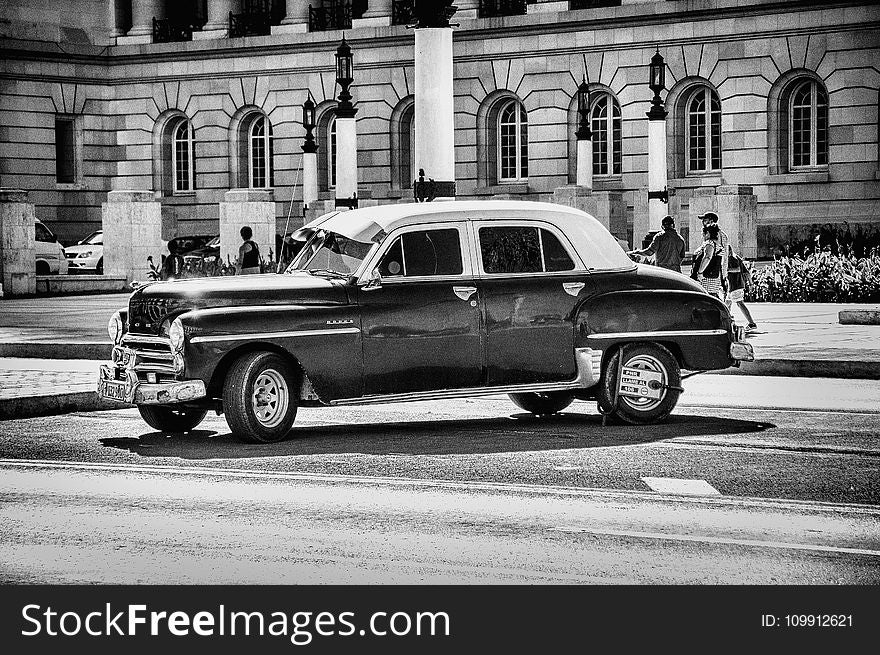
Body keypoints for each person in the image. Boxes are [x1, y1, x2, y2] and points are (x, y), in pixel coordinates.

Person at [726, 247, 758, 332]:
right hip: (734, 285)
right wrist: (751, 283)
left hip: (735, 285)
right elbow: (746, 272)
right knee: (727, 304)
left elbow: (738, 269)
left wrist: (726, 270)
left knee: (739, 303)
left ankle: (751, 323)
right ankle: (727, 323)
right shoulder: (737, 257)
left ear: (728, 250)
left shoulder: (731, 258)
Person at [698, 212, 728, 294]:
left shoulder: (719, 236)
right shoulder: (710, 234)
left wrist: (723, 275)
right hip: (712, 272)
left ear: (711, 221)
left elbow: (724, 256)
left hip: (710, 273)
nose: (702, 222)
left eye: (705, 220)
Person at [691, 224, 723, 299]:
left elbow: (707, 257)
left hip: (705, 278)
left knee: (704, 298)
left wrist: (700, 272)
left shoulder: (709, 243)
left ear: (707, 233)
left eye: (703, 234)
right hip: (714, 278)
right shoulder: (718, 245)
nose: (702, 237)